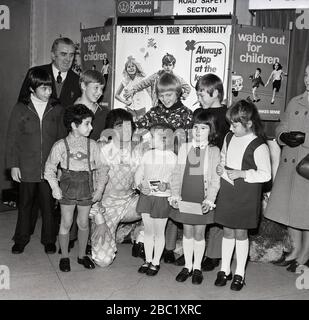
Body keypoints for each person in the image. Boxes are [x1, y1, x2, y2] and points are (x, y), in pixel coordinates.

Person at [134, 72, 193, 263]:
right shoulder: (154, 112)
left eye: (169, 94)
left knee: (172, 205)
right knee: (155, 205)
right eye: (161, 95)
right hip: (155, 166)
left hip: (176, 164)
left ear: (178, 93)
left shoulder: (186, 114)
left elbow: (192, 141)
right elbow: (138, 129)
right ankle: (148, 242)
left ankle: (168, 247)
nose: (165, 99)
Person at [6, 68, 66, 254]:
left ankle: (49, 239)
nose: (48, 92)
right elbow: (12, 139)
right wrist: (13, 165)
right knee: (25, 204)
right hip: (26, 167)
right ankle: (21, 238)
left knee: (48, 205)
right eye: (43, 88)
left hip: (49, 168)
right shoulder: (20, 108)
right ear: (32, 88)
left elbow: (61, 139)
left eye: (50, 88)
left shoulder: (56, 109)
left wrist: (60, 166)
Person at [214, 99, 271, 291]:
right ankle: (224, 269)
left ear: (248, 123)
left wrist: (242, 173)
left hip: (246, 194)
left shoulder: (258, 145)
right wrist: (220, 167)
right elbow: (223, 156)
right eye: (230, 123)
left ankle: (239, 273)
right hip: (228, 190)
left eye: (235, 124)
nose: (231, 127)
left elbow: (266, 174)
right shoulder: (229, 137)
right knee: (227, 232)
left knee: (241, 233)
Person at [44, 104, 106, 272]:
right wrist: (54, 187)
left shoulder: (92, 145)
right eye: (87, 123)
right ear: (73, 125)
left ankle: (81, 256)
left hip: (86, 187)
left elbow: (102, 168)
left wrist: (99, 189)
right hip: (67, 187)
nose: (91, 127)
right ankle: (64, 257)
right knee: (66, 222)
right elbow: (49, 168)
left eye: (90, 123)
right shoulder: (60, 145)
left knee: (83, 223)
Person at [182, 73, 229, 272]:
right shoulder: (198, 113)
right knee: (194, 213)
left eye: (202, 94)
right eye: (198, 94)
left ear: (216, 93)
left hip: (217, 165)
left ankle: (213, 254)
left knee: (215, 212)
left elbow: (227, 141)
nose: (199, 99)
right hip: (197, 165)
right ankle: (191, 257)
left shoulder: (226, 115)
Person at [264, 63, 309, 272]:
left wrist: (305, 139)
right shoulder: (295, 101)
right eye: (307, 75)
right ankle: (295, 249)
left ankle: (306, 253)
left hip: (306, 165)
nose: (308, 79)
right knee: (291, 209)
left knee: (305, 210)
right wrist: (283, 136)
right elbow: (280, 124)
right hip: (290, 162)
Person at [169, 110, 221, 285]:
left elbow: (215, 179)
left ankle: (197, 267)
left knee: (199, 233)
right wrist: (175, 194)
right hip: (186, 197)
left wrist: (210, 200)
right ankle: (188, 266)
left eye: (203, 128)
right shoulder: (185, 148)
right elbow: (176, 174)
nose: (198, 131)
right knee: (187, 232)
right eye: (196, 127)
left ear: (211, 130)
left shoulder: (213, 151)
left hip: (202, 198)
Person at [90, 109, 145, 267]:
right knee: (103, 261)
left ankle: (138, 234)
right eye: (119, 126)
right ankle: (116, 231)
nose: (124, 130)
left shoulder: (138, 150)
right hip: (105, 208)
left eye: (128, 126)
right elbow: (90, 188)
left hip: (130, 203)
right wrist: (99, 220)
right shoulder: (101, 150)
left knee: (157, 204)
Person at [68, 69, 109, 254]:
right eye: (95, 87)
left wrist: (106, 140)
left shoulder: (103, 112)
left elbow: (111, 135)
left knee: (93, 203)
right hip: (74, 166)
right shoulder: (70, 110)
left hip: (95, 167)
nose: (99, 92)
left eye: (102, 88)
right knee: (72, 204)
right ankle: (69, 237)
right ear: (83, 86)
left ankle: (91, 241)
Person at [135, 123, 177, 276]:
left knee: (159, 232)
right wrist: (140, 186)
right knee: (148, 230)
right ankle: (147, 259)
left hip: (161, 199)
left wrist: (167, 186)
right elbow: (139, 173)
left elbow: (176, 180)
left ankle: (156, 262)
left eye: (153, 136)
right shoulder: (147, 155)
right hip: (147, 196)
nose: (150, 139)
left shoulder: (173, 157)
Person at [18, 37, 80, 108]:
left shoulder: (78, 80)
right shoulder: (35, 73)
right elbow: (22, 104)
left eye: (71, 55)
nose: (68, 59)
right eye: (63, 54)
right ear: (53, 55)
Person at [123, 53, 191, 107]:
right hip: (158, 105)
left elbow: (187, 88)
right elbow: (144, 83)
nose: (167, 67)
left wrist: (183, 96)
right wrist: (133, 90)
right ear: (162, 65)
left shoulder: (176, 78)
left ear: (173, 66)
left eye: (170, 65)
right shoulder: (156, 76)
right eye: (165, 65)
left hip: (171, 105)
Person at [115, 56, 152, 120]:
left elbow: (150, 92)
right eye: (128, 67)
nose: (131, 68)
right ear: (126, 70)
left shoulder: (141, 79)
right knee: (127, 127)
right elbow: (116, 95)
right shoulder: (125, 80)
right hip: (130, 108)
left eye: (133, 66)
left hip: (141, 108)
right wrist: (125, 102)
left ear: (136, 68)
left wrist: (154, 103)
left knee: (141, 127)